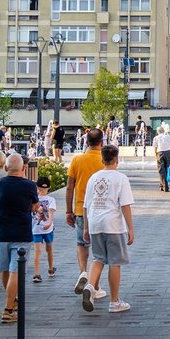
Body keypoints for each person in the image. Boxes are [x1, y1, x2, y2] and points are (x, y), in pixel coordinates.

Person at [81, 144, 134, 313]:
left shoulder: (93, 178)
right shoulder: (120, 178)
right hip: (113, 225)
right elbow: (125, 205)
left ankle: (91, 286)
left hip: (95, 222)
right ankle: (114, 301)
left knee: (98, 258)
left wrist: (85, 228)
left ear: (102, 160)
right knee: (114, 262)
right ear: (117, 160)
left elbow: (86, 204)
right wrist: (130, 229)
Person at [0, 153, 39, 324]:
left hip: (2, 232)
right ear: (24, 168)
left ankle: (12, 301)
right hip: (21, 232)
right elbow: (33, 207)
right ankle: (8, 309)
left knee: (5, 270)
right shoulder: (29, 186)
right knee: (15, 272)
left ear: (5, 168)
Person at [65, 127, 105, 297]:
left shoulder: (77, 160)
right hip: (101, 210)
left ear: (86, 142)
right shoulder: (105, 160)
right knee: (99, 250)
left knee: (82, 244)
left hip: (81, 209)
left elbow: (69, 187)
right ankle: (94, 286)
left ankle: (83, 272)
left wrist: (68, 211)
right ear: (102, 143)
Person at [32, 175, 56, 283]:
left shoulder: (34, 199)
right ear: (49, 188)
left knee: (37, 251)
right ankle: (50, 268)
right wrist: (50, 222)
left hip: (36, 228)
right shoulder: (51, 199)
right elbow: (51, 212)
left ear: (37, 187)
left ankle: (37, 274)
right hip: (48, 228)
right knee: (49, 248)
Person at [153, 124, 170, 192]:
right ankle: (162, 185)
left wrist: (156, 156)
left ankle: (165, 186)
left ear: (157, 132)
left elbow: (155, 149)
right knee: (166, 169)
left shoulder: (156, 138)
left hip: (160, 153)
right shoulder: (168, 136)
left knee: (161, 170)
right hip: (168, 153)